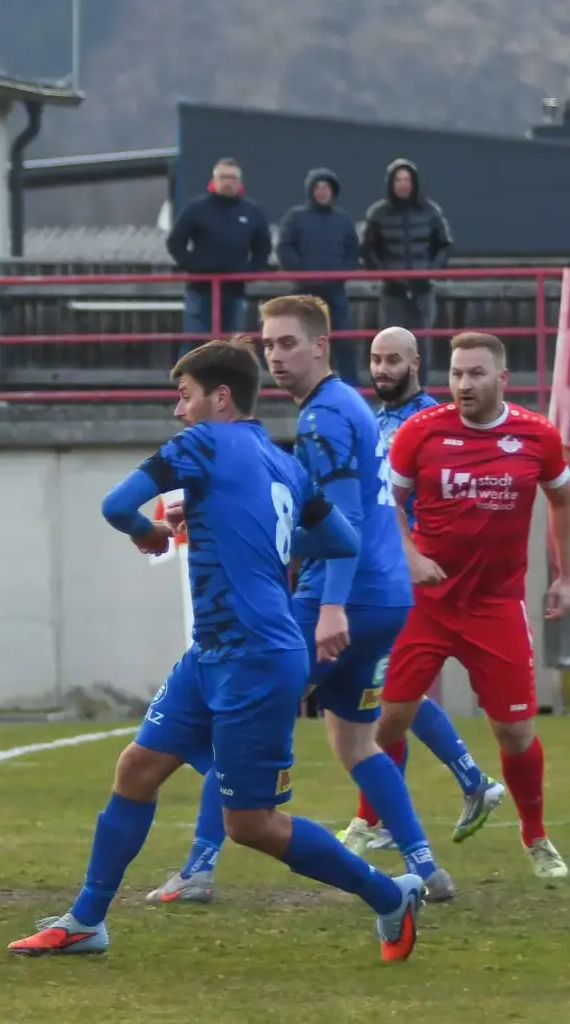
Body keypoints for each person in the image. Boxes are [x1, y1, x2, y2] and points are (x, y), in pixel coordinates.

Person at [7, 339, 426, 963]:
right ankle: (86, 920)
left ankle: (389, 895)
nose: (178, 411)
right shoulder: (283, 463)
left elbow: (115, 505)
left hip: (255, 656)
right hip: (215, 652)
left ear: (219, 397)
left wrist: (150, 531)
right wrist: (261, 544)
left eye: (185, 395)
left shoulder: (201, 444)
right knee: (136, 769)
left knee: (250, 825)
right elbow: (339, 538)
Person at [142, 302, 453, 909]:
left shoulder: (324, 420)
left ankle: (200, 868)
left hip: (345, 596)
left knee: (230, 713)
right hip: (385, 597)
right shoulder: (343, 408)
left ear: (321, 347)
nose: (275, 356)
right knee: (356, 742)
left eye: (287, 343)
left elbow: (348, 521)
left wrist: (331, 607)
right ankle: (425, 865)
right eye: (268, 344)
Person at [378, 332, 570, 881]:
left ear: (502, 379)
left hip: (495, 607)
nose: (463, 384)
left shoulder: (537, 436)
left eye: (476, 374)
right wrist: (410, 556)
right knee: (389, 721)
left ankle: (535, 836)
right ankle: (380, 824)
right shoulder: (421, 431)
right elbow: (385, 502)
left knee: (515, 734)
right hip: (427, 603)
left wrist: (564, 576)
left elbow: (562, 499)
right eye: (457, 373)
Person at [336, 328, 505, 854]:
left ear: (416, 363)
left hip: (405, 574)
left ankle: (454, 789)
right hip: (374, 569)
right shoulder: (374, 418)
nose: (381, 369)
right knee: (386, 693)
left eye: (393, 360)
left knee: (389, 694)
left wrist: (414, 555)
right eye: (374, 360)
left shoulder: (433, 423)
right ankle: (461, 786)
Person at [359, 160, 453, 382]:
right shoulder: (378, 213)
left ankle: (421, 392)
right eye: (398, 180)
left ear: (414, 183)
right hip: (393, 291)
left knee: (421, 344)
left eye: (406, 180)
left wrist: (431, 272)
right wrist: (385, 274)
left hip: (423, 288)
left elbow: (444, 245)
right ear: (391, 184)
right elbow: (368, 249)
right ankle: (394, 392)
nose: (403, 185)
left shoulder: (430, 212)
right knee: (392, 344)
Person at [166, 157, 272, 354]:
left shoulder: (252, 211)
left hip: (235, 290)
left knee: (232, 346)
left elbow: (263, 246)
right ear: (214, 179)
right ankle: (186, 383)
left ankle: (228, 384)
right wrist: (192, 265)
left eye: (232, 177)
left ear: (240, 182)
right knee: (195, 344)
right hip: (201, 289)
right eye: (223, 177)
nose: (228, 182)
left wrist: (252, 272)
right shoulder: (196, 208)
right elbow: (175, 241)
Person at [275, 169, 360, 382]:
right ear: (311, 191)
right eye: (318, 187)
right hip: (304, 291)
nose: (322, 192)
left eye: (326, 188)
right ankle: (301, 384)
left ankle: (352, 387)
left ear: (333, 192)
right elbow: (284, 246)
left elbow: (353, 250)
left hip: (335, 289)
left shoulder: (342, 220)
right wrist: (300, 271)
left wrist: (343, 272)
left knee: (343, 340)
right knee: (302, 341)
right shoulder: (295, 217)